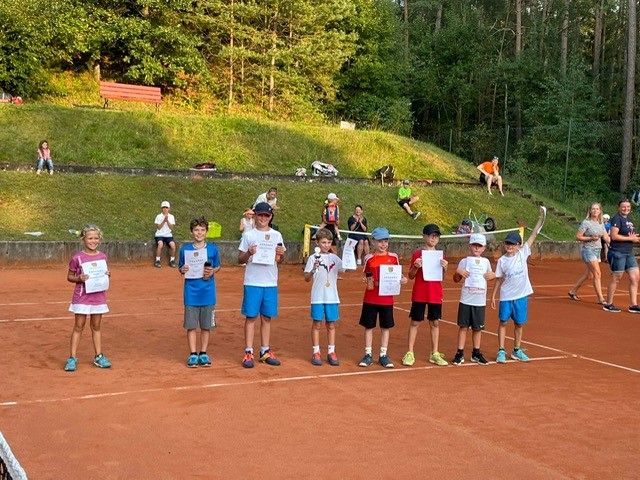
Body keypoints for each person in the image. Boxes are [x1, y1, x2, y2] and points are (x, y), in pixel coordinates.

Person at [491, 206, 546, 363]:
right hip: (506, 296)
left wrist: (540, 219)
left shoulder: (523, 253)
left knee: (519, 324)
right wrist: (494, 296)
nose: (509, 246)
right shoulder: (502, 260)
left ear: (519, 245)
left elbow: (534, 234)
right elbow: (499, 279)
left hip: (521, 296)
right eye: (507, 243)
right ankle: (501, 350)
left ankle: (516, 350)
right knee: (503, 322)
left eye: (513, 244)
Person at [238, 201, 286, 367]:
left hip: (270, 282)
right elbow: (240, 259)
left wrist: (281, 254)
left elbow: (280, 259)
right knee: (251, 317)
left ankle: (264, 351)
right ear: (255, 215)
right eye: (260, 215)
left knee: (267, 317)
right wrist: (249, 253)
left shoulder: (277, 236)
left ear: (270, 216)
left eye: (266, 215)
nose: (263, 218)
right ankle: (248, 352)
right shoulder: (248, 235)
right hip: (252, 281)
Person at [63, 225, 111, 372]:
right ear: (83, 239)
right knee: (79, 326)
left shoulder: (103, 256)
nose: (93, 241)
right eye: (90, 238)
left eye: (96, 238)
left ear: (100, 239)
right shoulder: (77, 257)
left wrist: (106, 275)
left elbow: (102, 275)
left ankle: (98, 356)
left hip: (98, 297)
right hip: (82, 298)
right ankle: (72, 358)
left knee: (96, 326)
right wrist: (79, 278)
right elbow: (69, 276)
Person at [358, 227, 407, 368]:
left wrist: (403, 280)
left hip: (387, 299)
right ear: (373, 242)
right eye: (380, 241)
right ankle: (368, 355)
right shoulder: (369, 258)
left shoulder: (394, 257)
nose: (383, 244)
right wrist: (367, 281)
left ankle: (383, 355)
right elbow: (366, 277)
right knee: (369, 326)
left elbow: (399, 276)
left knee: (386, 327)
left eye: (385, 241)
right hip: (371, 298)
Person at [402, 223, 449, 367]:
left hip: (435, 294)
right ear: (424, 237)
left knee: (435, 322)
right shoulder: (417, 254)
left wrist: (445, 268)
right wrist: (416, 267)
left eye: (436, 236)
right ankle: (410, 352)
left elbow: (442, 277)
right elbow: (410, 275)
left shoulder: (441, 255)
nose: (433, 238)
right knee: (415, 322)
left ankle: (434, 353)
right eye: (431, 235)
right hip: (420, 293)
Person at [178, 217, 221, 368]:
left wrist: (212, 271)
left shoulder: (213, 249)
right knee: (191, 325)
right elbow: (181, 267)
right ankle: (192, 353)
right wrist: (182, 270)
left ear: (207, 232)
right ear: (191, 232)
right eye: (196, 230)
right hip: (191, 292)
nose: (199, 233)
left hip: (208, 292)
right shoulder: (185, 249)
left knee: (206, 326)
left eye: (202, 230)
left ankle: (203, 352)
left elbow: (217, 266)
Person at [452, 233, 495, 365]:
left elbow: (490, 275)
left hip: (479, 301)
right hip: (466, 299)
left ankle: (476, 353)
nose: (477, 248)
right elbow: (456, 279)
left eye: (479, 246)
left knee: (477, 328)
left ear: (484, 248)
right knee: (463, 327)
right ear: (470, 246)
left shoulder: (486, 262)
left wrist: (492, 275)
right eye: (474, 245)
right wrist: (459, 273)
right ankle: (459, 353)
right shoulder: (464, 261)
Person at [303, 228, 344, 366]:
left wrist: (349, 255)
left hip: (332, 297)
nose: (326, 245)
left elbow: (345, 268)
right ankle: (316, 351)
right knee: (317, 324)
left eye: (329, 242)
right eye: (324, 242)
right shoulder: (312, 258)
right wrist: (313, 269)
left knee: (331, 324)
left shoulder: (335, 258)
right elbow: (307, 278)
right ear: (317, 243)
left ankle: (331, 351)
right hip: (317, 297)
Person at [568, 203, 610, 305]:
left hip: (597, 250)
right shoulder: (586, 222)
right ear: (590, 211)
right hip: (588, 250)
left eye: (597, 209)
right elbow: (578, 236)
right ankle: (601, 299)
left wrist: (615, 243)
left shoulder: (601, 223)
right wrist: (590, 238)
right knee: (597, 273)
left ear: (600, 211)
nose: (595, 211)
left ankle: (572, 291)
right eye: (593, 209)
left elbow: (606, 237)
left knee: (590, 275)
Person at [603, 199, 640, 313]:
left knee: (635, 277)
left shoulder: (629, 219)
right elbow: (613, 236)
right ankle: (608, 304)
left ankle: (633, 305)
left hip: (628, 252)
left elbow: (630, 236)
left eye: (628, 207)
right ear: (619, 207)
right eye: (623, 207)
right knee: (616, 277)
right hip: (617, 252)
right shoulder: (616, 219)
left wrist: (635, 238)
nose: (626, 209)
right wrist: (630, 238)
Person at [154, 201, 177, 268]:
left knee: (173, 245)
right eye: (163, 207)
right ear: (161, 208)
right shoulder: (158, 216)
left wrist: (167, 221)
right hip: (159, 235)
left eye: (166, 207)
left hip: (168, 235)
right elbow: (158, 227)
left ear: (169, 208)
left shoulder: (171, 217)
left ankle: (172, 260)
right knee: (160, 244)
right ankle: (157, 260)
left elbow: (171, 228)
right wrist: (164, 221)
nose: (165, 209)